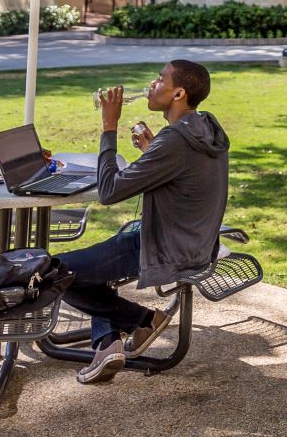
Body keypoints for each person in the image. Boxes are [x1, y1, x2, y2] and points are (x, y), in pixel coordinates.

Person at [57, 59, 230, 385]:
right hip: (195, 242)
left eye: (159, 79)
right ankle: (107, 344)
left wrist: (109, 127)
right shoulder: (204, 128)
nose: (152, 84)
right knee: (90, 270)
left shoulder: (175, 141)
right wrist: (153, 151)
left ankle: (145, 320)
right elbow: (186, 177)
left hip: (164, 246)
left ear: (178, 92)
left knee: (56, 273)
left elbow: (108, 192)